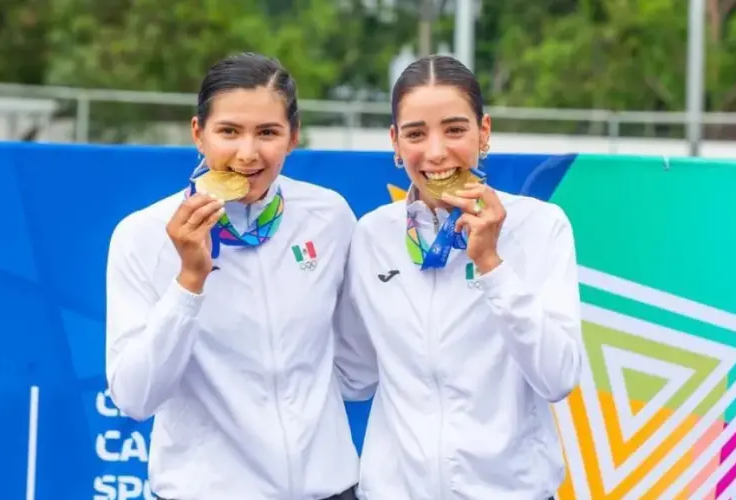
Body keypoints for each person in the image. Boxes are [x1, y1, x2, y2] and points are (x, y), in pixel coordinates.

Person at [105, 53, 360, 500]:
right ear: (198, 134)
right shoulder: (142, 234)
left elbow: (357, 369)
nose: (247, 153)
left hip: (329, 489)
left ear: (293, 137)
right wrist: (188, 283)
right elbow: (134, 396)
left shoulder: (329, 215)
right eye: (229, 131)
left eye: (267, 133)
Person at [334, 55, 584, 500]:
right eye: (415, 134)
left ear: (483, 132)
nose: (435, 152)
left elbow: (557, 376)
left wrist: (491, 263)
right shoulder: (373, 233)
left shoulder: (541, 226)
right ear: (394, 142)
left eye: (454, 129)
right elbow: (355, 375)